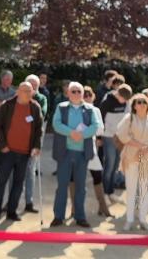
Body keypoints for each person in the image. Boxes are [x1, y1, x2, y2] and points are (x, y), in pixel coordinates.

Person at [0, 82, 42, 223]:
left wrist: (36, 146)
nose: (27, 93)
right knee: (1, 182)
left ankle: (12, 211)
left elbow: (39, 129)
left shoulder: (35, 107)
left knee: (18, 184)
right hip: (8, 152)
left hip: (25, 153)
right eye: (24, 90)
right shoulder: (7, 105)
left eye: (30, 91)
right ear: (18, 91)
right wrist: (3, 145)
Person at [50, 82, 100, 228]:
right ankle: (58, 216)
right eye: (73, 91)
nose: (77, 94)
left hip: (82, 154)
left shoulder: (90, 109)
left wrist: (82, 135)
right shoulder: (61, 107)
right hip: (64, 153)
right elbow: (56, 124)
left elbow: (95, 126)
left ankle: (80, 217)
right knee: (62, 186)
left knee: (81, 187)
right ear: (68, 93)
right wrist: (71, 133)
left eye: (79, 91)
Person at [116, 93, 148, 231]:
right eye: (139, 102)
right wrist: (139, 145)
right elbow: (121, 134)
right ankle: (129, 220)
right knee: (131, 190)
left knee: (144, 191)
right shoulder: (129, 118)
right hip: (131, 157)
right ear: (134, 106)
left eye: (144, 102)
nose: (141, 104)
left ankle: (143, 220)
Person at [98, 83, 132, 202]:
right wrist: (99, 137)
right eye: (124, 99)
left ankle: (110, 192)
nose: (125, 102)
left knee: (116, 165)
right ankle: (104, 193)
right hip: (108, 137)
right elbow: (100, 119)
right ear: (118, 94)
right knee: (109, 165)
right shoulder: (107, 102)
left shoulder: (126, 102)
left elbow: (128, 117)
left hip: (120, 138)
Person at [81, 87, 111, 218]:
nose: (87, 97)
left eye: (89, 94)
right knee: (76, 179)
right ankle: (75, 210)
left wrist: (91, 132)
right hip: (77, 148)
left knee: (97, 176)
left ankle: (103, 208)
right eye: (85, 95)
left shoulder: (96, 110)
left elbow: (100, 129)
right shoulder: (76, 110)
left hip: (91, 149)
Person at [22, 74, 49, 214]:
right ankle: (11, 202)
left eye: (35, 85)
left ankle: (29, 201)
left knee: (30, 170)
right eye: (30, 84)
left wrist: (26, 118)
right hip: (19, 139)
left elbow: (41, 114)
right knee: (15, 171)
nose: (32, 87)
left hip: (34, 139)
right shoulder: (19, 97)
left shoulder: (41, 98)